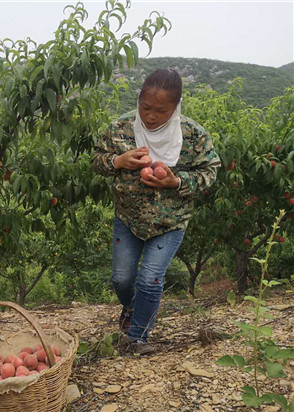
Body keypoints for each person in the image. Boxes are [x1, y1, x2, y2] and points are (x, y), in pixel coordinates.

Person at [91, 68, 221, 355]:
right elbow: (97, 161)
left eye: (160, 111)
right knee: (121, 279)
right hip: (128, 218)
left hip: (170, 222)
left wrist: (176, 181)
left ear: (175, 108)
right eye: (145, 107)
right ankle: (133, 307)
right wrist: (118, 161)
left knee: (150, 279)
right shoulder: (120, 128)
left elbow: (210, 172)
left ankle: (138, 337)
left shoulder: (193, 136)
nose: (150, 116)